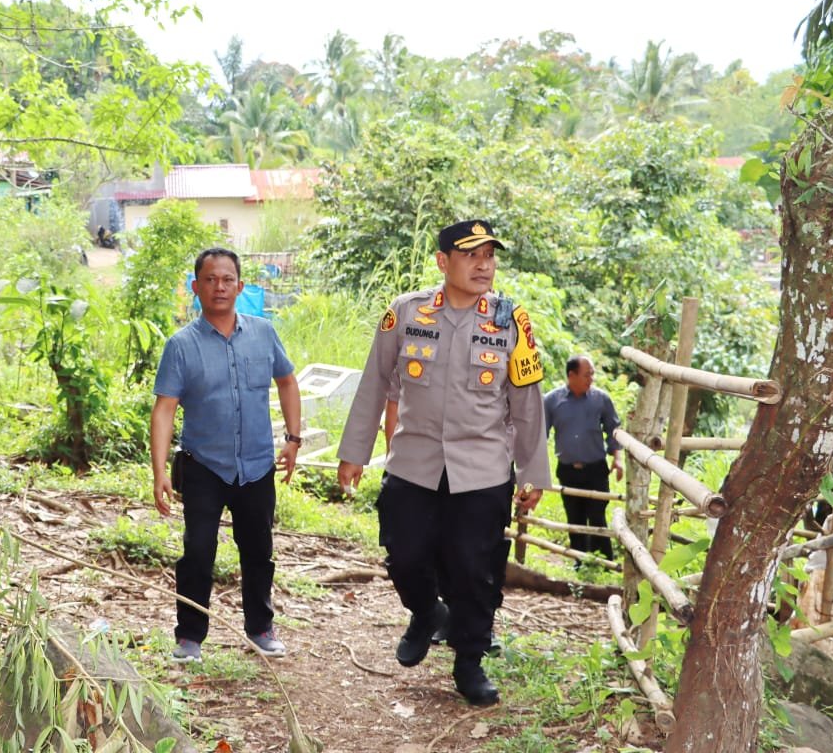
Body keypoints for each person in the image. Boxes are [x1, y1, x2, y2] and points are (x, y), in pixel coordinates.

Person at [336, 219, 550, 707]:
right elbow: (374, 383)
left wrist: (534, 473)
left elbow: (527, 403)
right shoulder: (406, 313)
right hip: (414, 461)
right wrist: (354, 451)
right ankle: (426, 612)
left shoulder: (509, 320)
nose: (484, 265)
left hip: (483, 469)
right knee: (404, 552)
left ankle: (469, 660)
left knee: (475, 570)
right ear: (443, 261)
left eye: (490, 256)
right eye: (472, 255)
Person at [150, 248, 302, 664]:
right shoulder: (180, 346)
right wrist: (159, 470)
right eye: (211, 279)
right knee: (198, 550)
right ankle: (190, 636)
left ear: (240, 285)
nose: (220, 286)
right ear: (196, 287)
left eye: (228, 279)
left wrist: (293, 437)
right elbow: (164, 409)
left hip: (256, 464)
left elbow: (287, 381)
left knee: (258, 550)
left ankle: (260, 628)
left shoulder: (264, 333)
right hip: (204, 466)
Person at [543, 355, 624, 562]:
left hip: (596, 469)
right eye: (587, 375)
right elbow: (540, 435)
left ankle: (606, 563)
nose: (591, 379)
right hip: (568, 470)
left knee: (597, 516)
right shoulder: (552, 401)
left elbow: (614, 430)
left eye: (592, 375)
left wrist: (618, 458)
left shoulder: (601, 400)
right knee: (575, 518)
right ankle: (580, 562)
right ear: (572, 375)